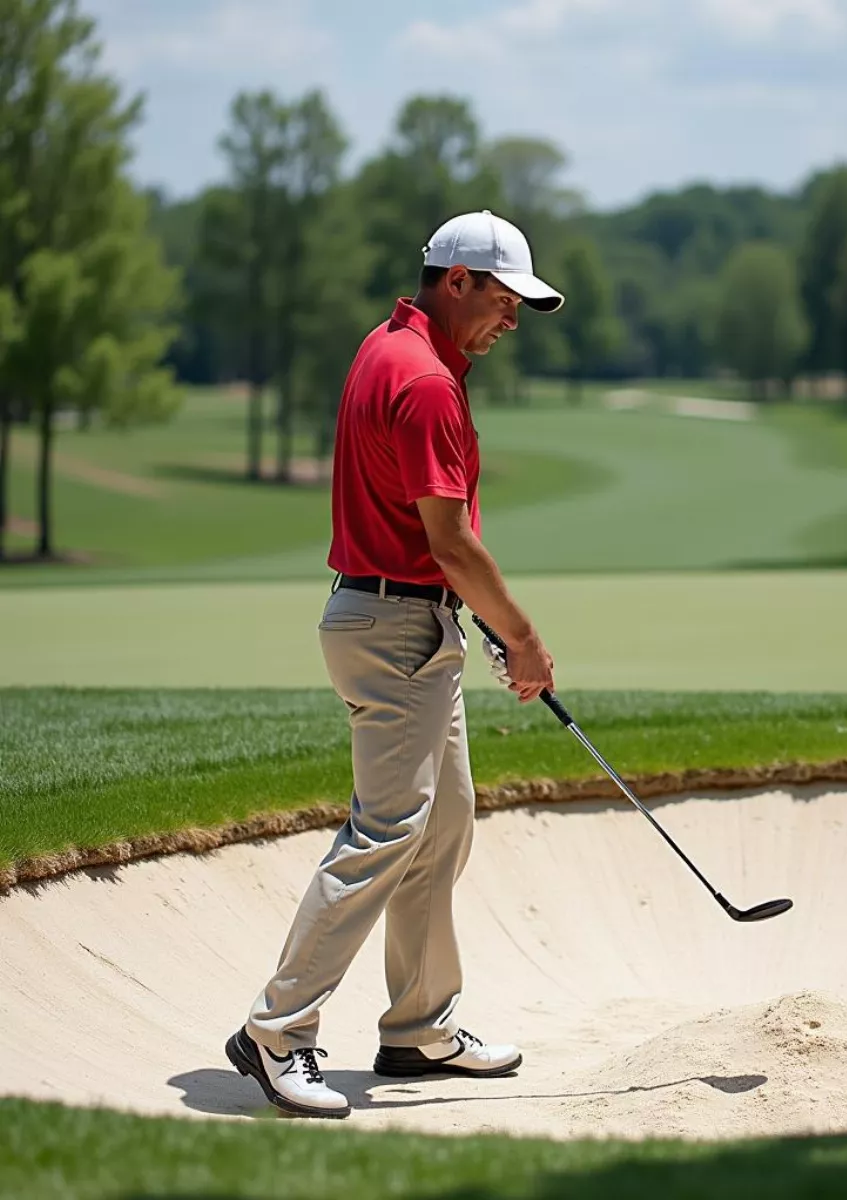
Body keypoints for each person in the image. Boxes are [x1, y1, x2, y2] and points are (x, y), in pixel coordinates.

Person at [225, 210, 564, 1119]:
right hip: (394, 626)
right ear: (456, 280)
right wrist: (522, 637)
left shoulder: (391, 348)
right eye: (504, 299)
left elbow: (435, 548)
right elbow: (448, 540)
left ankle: (420, 1026)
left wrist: (472, 618)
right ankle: (277, 1030)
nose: (513, 320)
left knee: (443, 823)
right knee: (388, 831)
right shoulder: (423, 381)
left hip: (401, 614)